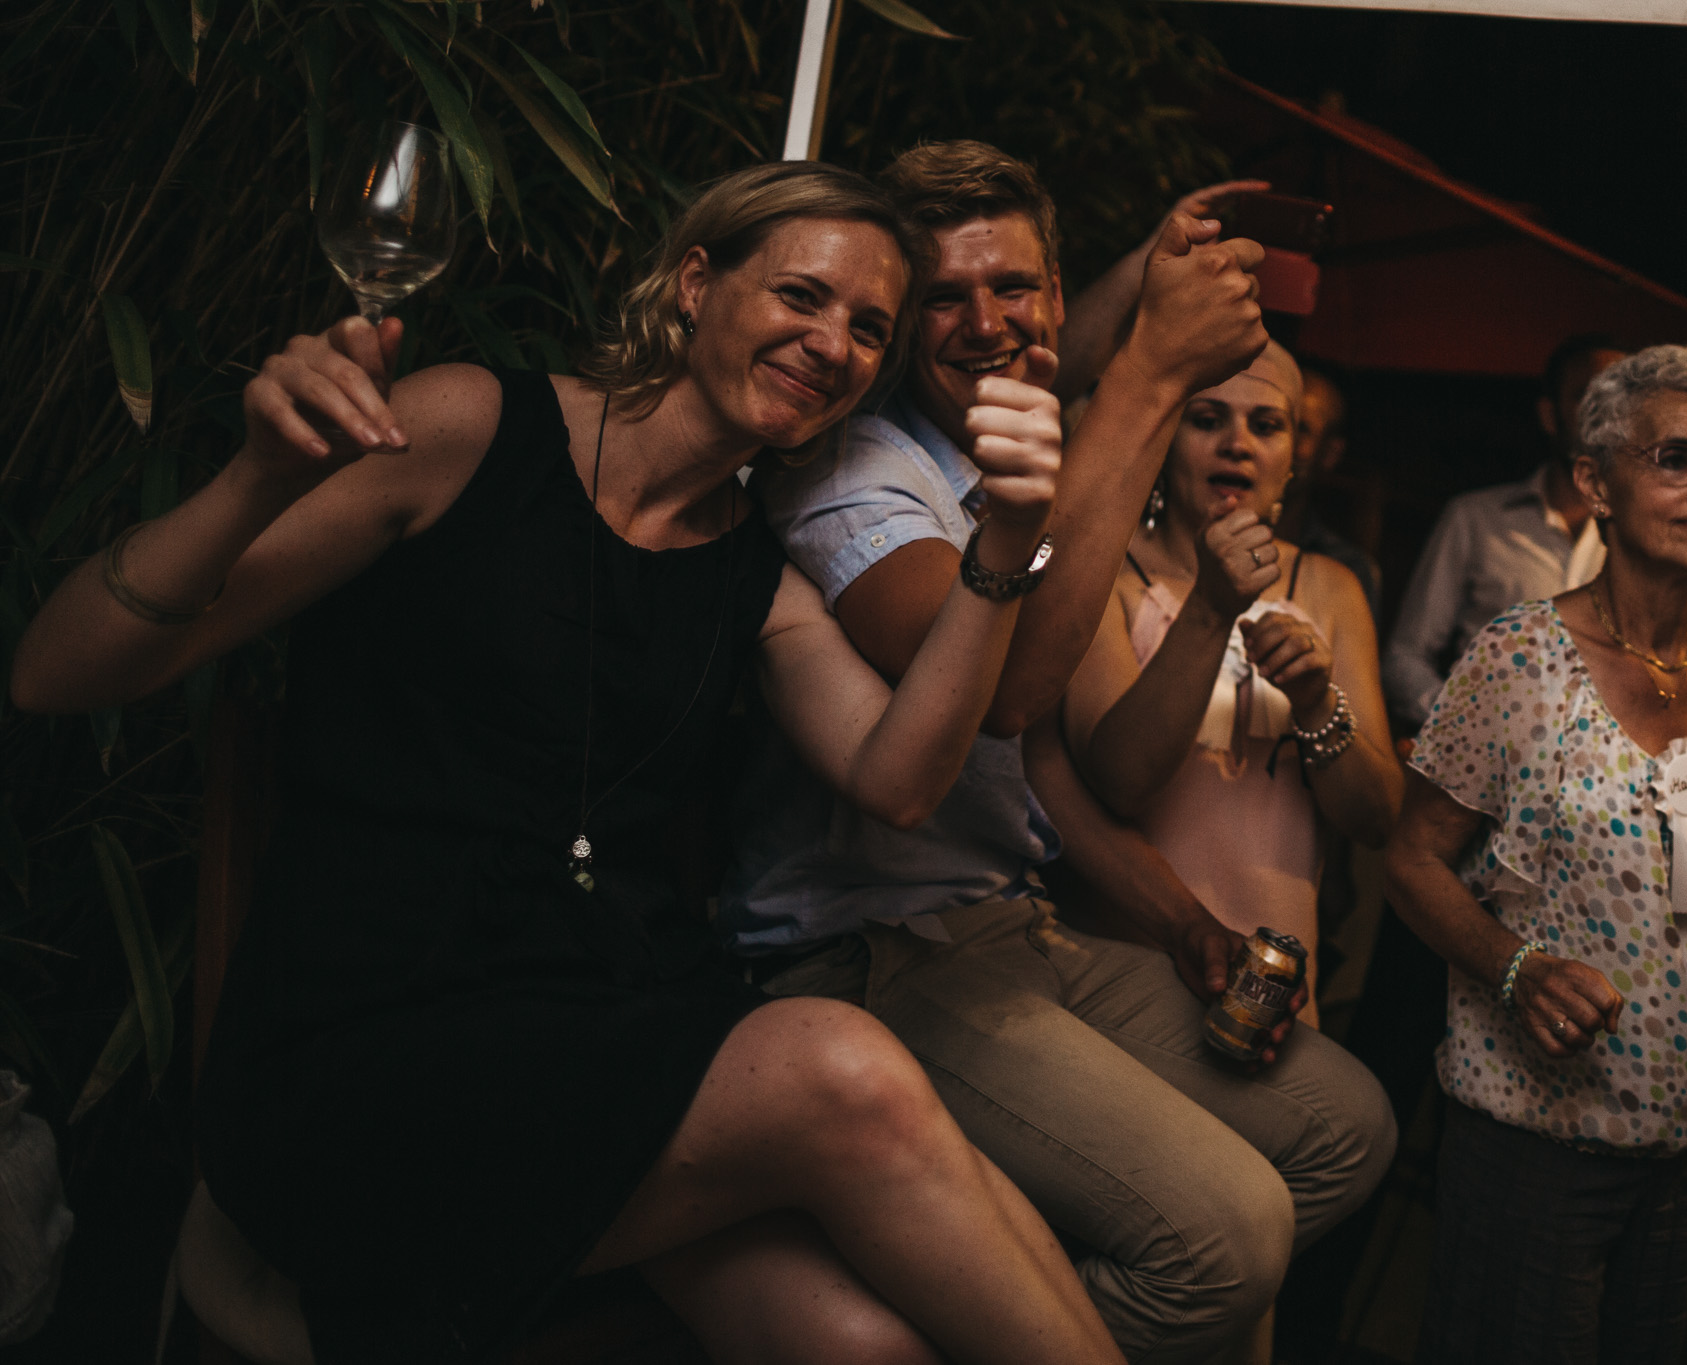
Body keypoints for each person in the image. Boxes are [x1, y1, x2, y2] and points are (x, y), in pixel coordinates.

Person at [8, 162, 1125, 1365]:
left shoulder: (757, 575)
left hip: (603, 1046)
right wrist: (253, 483)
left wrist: (1007, 542)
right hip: (366, 1055)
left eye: (868, 328)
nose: (832, 344)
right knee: (839, 1063)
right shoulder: (465, 426)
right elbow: (56, 671)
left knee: (860, 1346)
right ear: (696, 283)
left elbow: (902, 777)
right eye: (801, 296)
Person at [720, 141, 1396, 1364]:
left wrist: (1180, 918)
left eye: (1015, 287)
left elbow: (1041, 764)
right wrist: (1147, 371)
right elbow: (1004, 693)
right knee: (1226, 1239)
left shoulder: (1003, 432)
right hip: (868, 954)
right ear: (890, 318)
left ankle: (994, 1276)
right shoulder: (850, 467)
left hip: (1012, 923)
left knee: (1343, 1126)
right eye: (939, 296)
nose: (986, 324)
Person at [1385, 345, 1687, 1364]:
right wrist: (1517, 967)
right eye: (1676, 458)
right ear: (1594, 481)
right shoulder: (1518, 659)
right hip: (1533, 1140)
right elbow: (1408, 861)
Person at [1059, 343, 1403, 1022]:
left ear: (1292, 459)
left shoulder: (1330, 587)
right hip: (1127, 965)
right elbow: (1119, 780)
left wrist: (1314, 704)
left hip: (1275, 976)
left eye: (1268, 425)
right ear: (1165, 437)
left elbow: (1377, 817)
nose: (1237, 444)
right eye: (1207, 418)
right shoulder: (1106, 575)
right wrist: (1211, 608)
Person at [1382, 333, 1631, 729]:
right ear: (1551, 415)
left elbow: (1685, 676)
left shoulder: (1653, 541)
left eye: (1625, 400)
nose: (1610, 416)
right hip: (1483, 779)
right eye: (1591, 398)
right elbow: (1404, 656)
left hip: (1607, 779)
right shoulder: (1474, 519)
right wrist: (1463, 731)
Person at [1277, 367, 1383, 625]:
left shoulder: (1347, 569)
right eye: (1268, 425)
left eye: (1301, 429)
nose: (1280, 443)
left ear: (1330, 453)